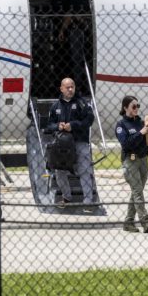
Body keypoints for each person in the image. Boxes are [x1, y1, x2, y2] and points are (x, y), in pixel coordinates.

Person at [47, 78, 96, 209]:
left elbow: (89, 121)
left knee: (85, 170)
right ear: (61, 89)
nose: (70, 89)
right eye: (67, 87)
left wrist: (73, 125)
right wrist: (58, 126)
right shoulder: (55, 106)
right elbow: (49, 125)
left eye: (72, 87)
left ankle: (88, 202)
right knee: (59, 172)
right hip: (61, 146)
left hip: (80, 142)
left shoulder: (82, 104)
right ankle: (66, 197)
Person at [115, 96, 148, 233]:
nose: (136, 109)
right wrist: (141, 133)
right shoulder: (121, 125)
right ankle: (145, 221)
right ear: (125, 108)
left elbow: (147, 143)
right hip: (130, 161)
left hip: (144, 159)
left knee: (136, 192)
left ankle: (128, 221)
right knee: (137, 191)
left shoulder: (141, 122)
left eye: (138, 106)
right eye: (133, 106)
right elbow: (126, 144)